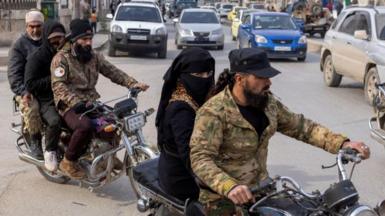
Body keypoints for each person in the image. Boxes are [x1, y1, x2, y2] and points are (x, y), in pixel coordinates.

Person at [189, 48, 371, 215]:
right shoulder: (214, 112)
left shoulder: (267, 104)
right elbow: (200, 158)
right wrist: (229, 186)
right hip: (223, 200)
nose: (268, 82)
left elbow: (302, 127)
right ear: (240, 79)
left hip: (261, 193)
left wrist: (342, 143)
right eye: (261, 77)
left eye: (268, 76)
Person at [50, 19, 149, 179]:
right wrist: (75, 102)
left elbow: (112, 71)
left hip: (90, 101)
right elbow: (59, 86)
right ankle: (68, 161)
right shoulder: (61, 59)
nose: (88, 42)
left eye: (90, 39)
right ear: (74, 39)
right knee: (85, 126)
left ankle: (107, 156)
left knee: (115, 120)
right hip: (69, 105)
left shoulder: (94, 56)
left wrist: (133, 83)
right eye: (84, 39)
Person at [156, 48, 215, 202]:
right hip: (180, 177)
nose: (205, 79)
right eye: (198, 75)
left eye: (208, 74)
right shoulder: (181, 109)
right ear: (183, 77)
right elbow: (190, 156)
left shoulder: (199, 99)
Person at [24, 20, 66, 171]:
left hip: (67, 95)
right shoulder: (37, 58)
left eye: (60, 37)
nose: (57, 41)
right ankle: (50, 151)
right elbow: (30, 84)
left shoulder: (66, 53)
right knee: (55, 121)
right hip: (46, 99)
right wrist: (54, 79)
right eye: (53, 38)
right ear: (47, 37)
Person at [7, 10, 45, 159]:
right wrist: (23, 92)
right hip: (27, 91)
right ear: (26, 26)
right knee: (33, 108)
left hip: (47, 86)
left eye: (38, 26)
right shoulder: (19, 45)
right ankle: (35, 142)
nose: (35, 30)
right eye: (31, 26)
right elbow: (14, 75)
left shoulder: (48, 40)